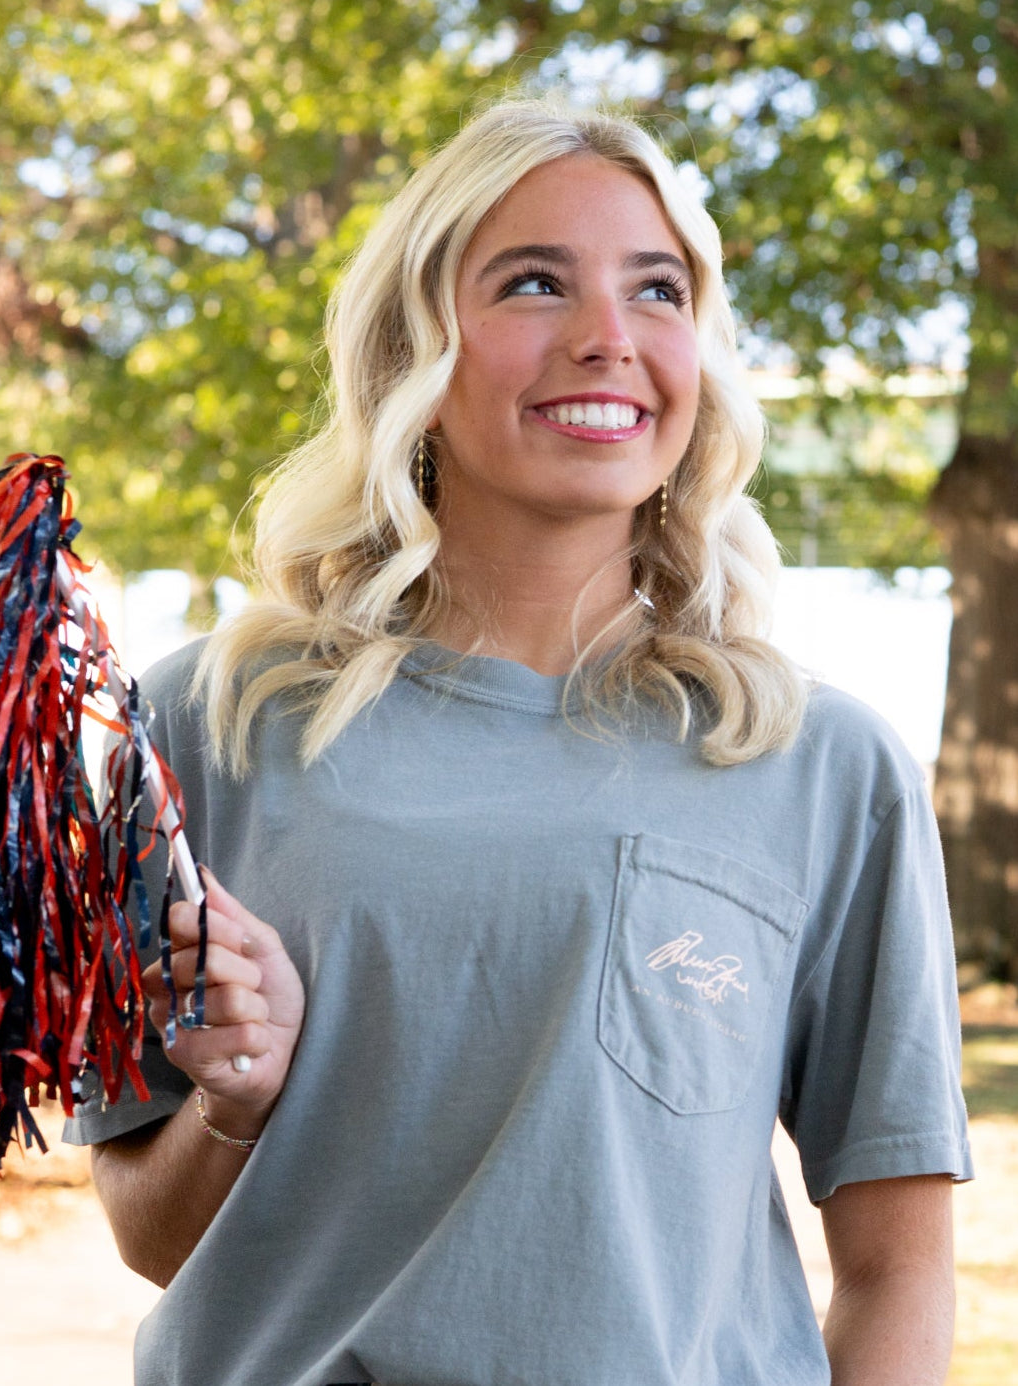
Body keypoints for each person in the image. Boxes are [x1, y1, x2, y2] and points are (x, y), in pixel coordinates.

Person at [64, 98, 973, 1386]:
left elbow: (898, 1274)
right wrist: (234, 1104)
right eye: (536, 283)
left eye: (657, 290)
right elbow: (149, 1238)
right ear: (413, 353)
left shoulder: (819, 765)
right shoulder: (207, 724)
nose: (609, 337)